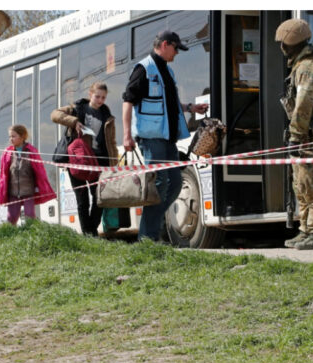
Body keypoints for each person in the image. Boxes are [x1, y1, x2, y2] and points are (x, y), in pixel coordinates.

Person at [121, 30, 208, 241]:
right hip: (151, 138)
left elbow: (167, 104)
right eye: (176, 48)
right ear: (165, 44)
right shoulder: (144, 69)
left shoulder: (167, 72)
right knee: (159, 184)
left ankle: (150, 231)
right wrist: (126, 135)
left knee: (175, 183)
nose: (177, 53)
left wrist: (190, 107)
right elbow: (127, 101)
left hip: (169, 138)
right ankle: (148, 238)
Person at [276, 19, 313, 250]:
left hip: (310, 134)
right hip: (307, 133)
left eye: (283, 42)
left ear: (290, 42)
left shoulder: (309, 67)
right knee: (301, 184)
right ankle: (306, 230)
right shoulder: (303, 64)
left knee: (312, 184)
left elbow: (304, 104)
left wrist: (295, 135)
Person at [51, 82, 119, 236]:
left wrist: (114, 165)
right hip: (77, 160)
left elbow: (112, 142)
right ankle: (89, 235)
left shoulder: (107, 116)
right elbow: (55, 114)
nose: (100, 100)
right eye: (97, 96)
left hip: (99, 162)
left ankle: (90, 232)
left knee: (99, 198)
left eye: (103, 97)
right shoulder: (77, 109)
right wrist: (74, 121)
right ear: (90, 94)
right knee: (82, 200)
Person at [0, 125, 56, 224]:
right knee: (11, 218)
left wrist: (38, 187)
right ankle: (10, 237)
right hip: (13, 192)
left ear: (22, 136)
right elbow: (3, 174)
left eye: (13, 136)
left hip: (28, 191)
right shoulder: (7, 153)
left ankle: (32, 236)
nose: (11, 139)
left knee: (29, 216)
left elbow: (39, 171)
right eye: (10, 136)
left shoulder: (31, 151)